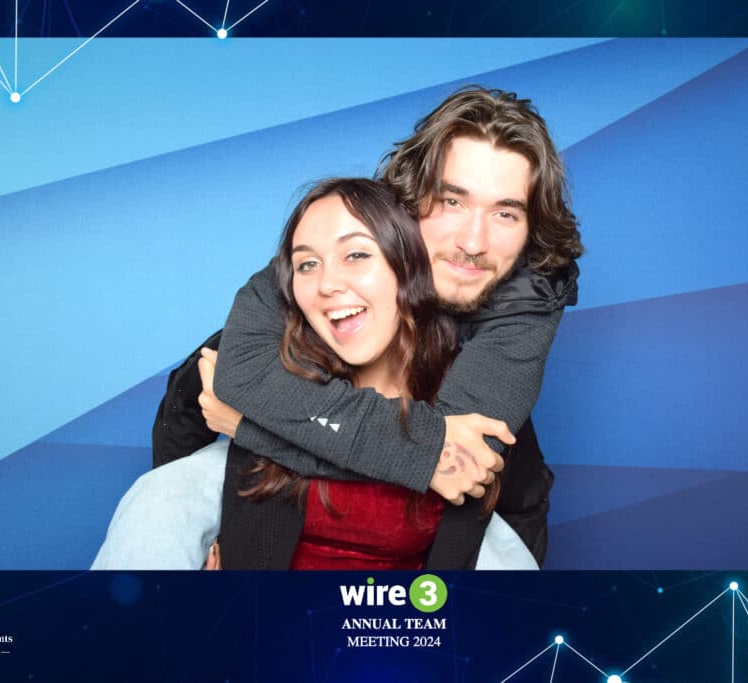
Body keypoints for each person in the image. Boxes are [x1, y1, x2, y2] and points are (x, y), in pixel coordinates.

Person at [107, 85, 581, 569]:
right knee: (163, 499)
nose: (473, 241)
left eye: (505, 213)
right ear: (408, 205)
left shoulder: (530, 294)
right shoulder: (340, 272)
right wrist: (209, 526)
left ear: (529, 232)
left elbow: (447, 463)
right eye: (451, 202)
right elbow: (202, 394)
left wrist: (249, 426)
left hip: (465, 518)